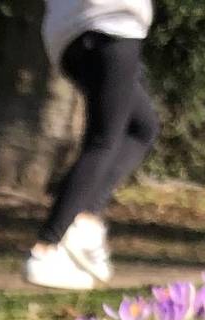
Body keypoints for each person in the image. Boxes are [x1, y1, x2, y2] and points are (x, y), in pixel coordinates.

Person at [24, 0, 159, 291]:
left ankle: (85, 222)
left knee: (141, 127)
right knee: (103, 139)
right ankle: (46, 249)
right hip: (111, 22)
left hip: (69, 35)